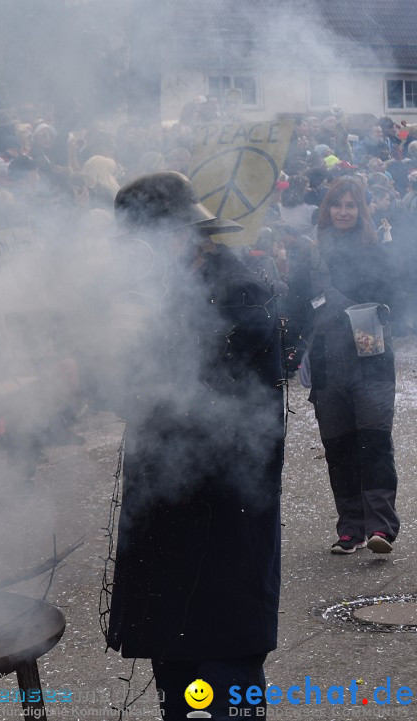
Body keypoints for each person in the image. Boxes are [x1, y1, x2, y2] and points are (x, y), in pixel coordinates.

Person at [105, 172, 284, 720]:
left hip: (223, 521)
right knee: (179, 687)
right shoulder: (149, 294)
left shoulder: (243, 295)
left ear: (181, 235)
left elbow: (231, 413)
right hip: (165, 516)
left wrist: (148, 354)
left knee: (224, 686)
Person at [305, 177, 400, 554]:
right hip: (328, 360)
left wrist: (381, 305)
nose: (343, 212)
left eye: (351, 205)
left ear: (362, 211)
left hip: (372, 357)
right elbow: (298, 305)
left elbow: (397, 298)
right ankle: (351, 528)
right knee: (339, 446)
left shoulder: (377, 252)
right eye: (336, 205)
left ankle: (381, 527)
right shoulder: (309, 251)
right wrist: (296, 350)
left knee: (374, 442)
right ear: (327, 209)